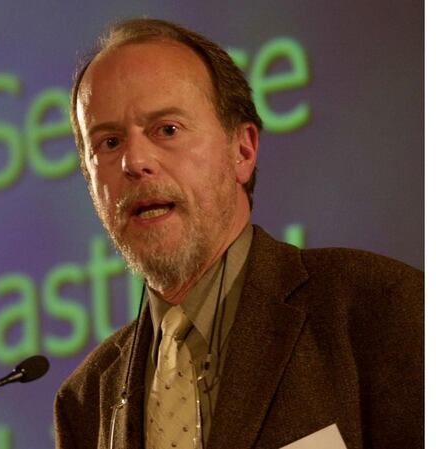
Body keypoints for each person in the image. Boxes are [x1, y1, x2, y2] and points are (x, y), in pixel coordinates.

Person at [53, 18, 423, 449]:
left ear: (242, 150)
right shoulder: (85, 399)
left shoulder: (379, 309)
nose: (134, 162)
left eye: (167, 130)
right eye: (109, 143)